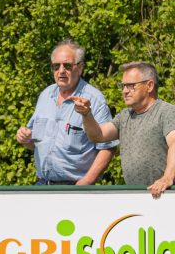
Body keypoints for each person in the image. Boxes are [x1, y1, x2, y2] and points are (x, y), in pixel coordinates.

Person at [16, 40, 117, 184]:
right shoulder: (45, 95)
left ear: (80, 68)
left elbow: (108, 147)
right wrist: (25, 138)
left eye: (67, 66)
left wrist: (85, 182)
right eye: (56, 66)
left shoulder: (94, 100)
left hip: (74, 188)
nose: (61, 71)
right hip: (42, 184)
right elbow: (35, 143)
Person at [72, 61, 175, 198]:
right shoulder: (125, 116)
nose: (125, 91)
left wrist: (167, 178)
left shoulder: (166, 111)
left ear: (149, 86)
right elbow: (98, 135)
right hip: (135, 197)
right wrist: (86, 114)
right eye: (123, 86)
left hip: (165, 195)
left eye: (131, 86)